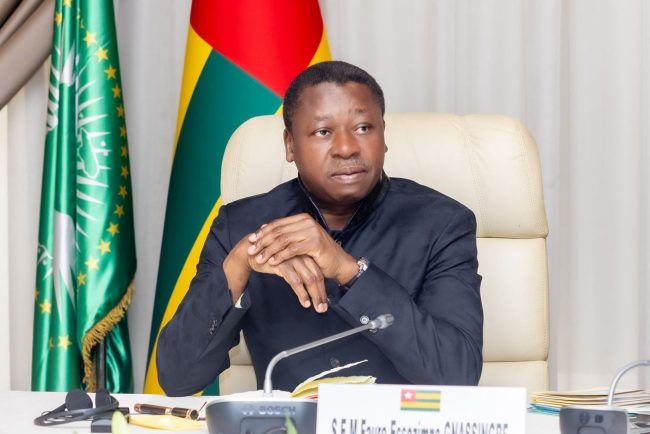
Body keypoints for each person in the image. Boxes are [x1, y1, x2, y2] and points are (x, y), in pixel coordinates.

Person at [157, 61, 483, 397]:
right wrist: (238, 265)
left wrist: (350, 272)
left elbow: (458, 375)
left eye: (363, 128)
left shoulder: (442, 224)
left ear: (383, 136)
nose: (346, 148)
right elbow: (178, 378)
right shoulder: (241, 227)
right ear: (290, 145)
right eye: (323, 132)